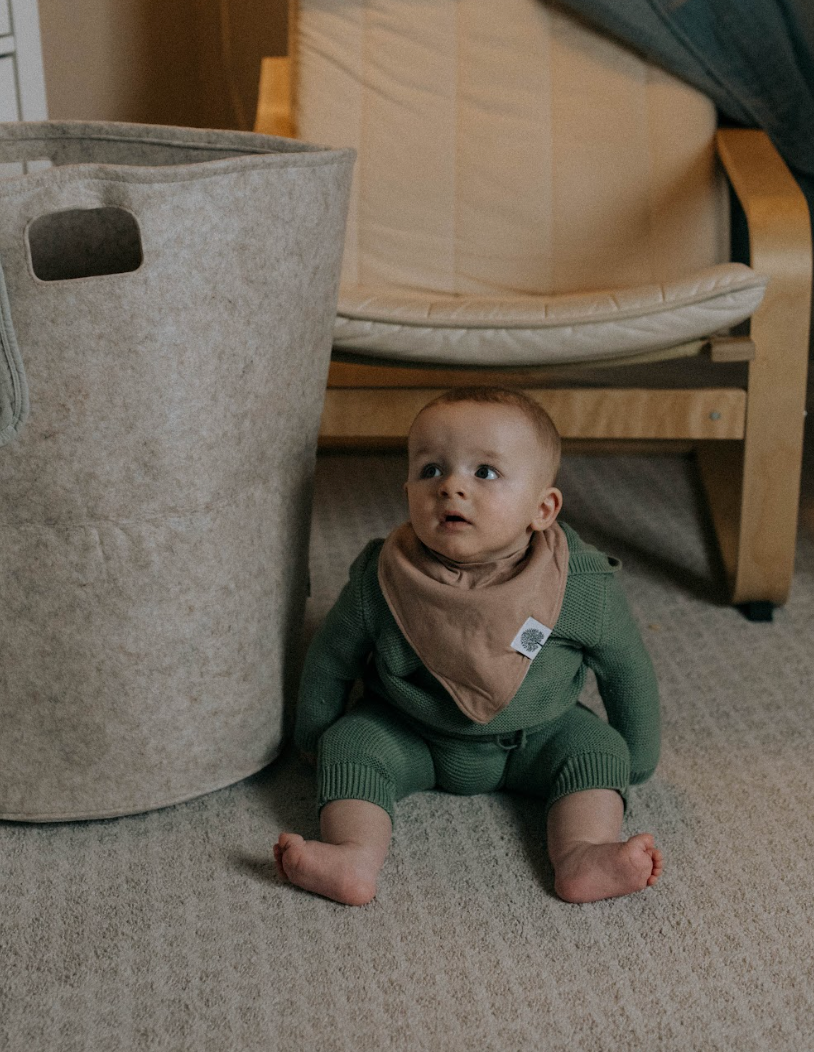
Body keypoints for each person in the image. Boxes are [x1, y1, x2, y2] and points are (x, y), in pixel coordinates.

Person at [275, 386, 662, 905]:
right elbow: (331, 657)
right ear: (407, 486)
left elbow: (625, 667)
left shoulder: (577, 583)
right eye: (431, 469)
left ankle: (583, 854)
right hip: (409, 730)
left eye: (485, 472)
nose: (452, 486)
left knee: (597, 751)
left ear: (543, 508)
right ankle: (353, 853)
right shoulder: (384, 579)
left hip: (540, 734)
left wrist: (637, 755)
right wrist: (314, 737)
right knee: (350, 745)